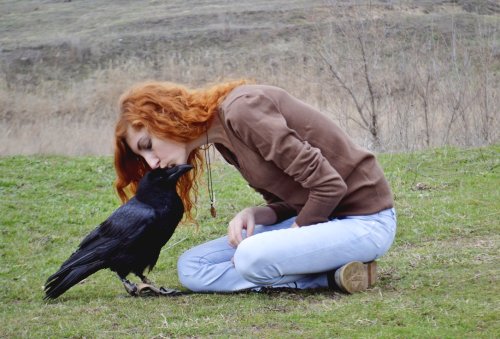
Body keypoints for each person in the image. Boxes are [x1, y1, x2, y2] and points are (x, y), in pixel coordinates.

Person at [114, 80, 396, 294]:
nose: (151, 163)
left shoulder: (242, 110)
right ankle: (333, 277)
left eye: (148, 146)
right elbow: (297, 197)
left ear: (166, 117)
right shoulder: (223, 141)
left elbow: (328, 185)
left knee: (250, 257)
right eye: (142, 157)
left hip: (364, 221)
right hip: (324, 220)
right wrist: (260, 213)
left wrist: (289, 238)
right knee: (191, 266)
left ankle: (304, 269)